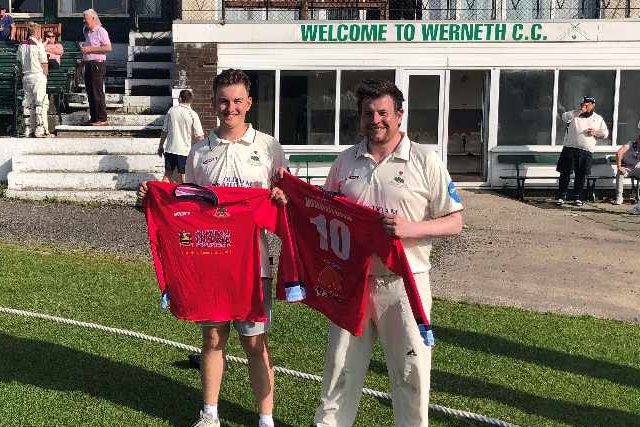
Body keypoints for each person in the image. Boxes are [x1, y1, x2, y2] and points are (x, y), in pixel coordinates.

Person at [137, 68, 286, 427]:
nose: (230, 108)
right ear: (214, 103)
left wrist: (282, 199)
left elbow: (286, 202)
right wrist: (151, 200)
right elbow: (189, 206)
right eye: (223, 100)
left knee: (254, 343)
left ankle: (265, 419)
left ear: (249, 103)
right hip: (210, 261)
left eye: (237, 101)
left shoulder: (269, 147)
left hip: (253, 265)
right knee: (213, 338)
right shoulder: (199, 151)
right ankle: (210, 414)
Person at [311, 79, 463, 427]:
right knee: (339, 369)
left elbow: (455, 221)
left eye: (383, 112)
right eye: (368, 113)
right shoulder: (345, 161)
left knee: (411, 373)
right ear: (359, 117)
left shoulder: (425, 160)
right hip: (354, 284)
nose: (375, 120)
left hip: (406, 285)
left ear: (399, 115)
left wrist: (411, 229)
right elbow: (324, 212)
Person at [555, 96, 609, 207]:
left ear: (593, 105)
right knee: (565, 173)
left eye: (587, 104)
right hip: (570, 148)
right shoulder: (574, 114)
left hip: (586, 150)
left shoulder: (598, 118)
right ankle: (561, 196)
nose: (585, 106)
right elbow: (564, 117)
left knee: (581, 175)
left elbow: (605, 134)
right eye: (583, 104)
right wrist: (578, 112)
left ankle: (577, 197)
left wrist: (595, 133)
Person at [158, 90, 205, 184]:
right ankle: (181, 197)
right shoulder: (193, 114)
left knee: (167, 176)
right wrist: (204, 153)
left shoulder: (171, 111)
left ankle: (161, 196)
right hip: (184, 152)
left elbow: (164, 131)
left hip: (170, 149)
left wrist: (160, 146)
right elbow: (200, 136)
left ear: (180, 98)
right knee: (183, 177)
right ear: (191, 100)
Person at [17, 22, 51, 138]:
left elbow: (20, 64)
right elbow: (44, 63)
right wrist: (45, 77)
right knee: (39, 102)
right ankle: (39, 129)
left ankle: (27, 129)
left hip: (26, 76)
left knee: (27, 103)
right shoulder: (38, 45)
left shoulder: (22, 45)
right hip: (37, 75)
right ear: (36, 32)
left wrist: (22, 76)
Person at [80, 8, 111, 126]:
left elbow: (108, 48)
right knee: (90, 91)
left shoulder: (101, 31)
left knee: (97, 91)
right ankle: (94, 117)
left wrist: (90, 49)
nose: (84, 21)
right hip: (88, 63)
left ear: (93, 18)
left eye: (85, 19)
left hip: (97, 63)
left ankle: (102, 118)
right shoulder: (87, 32)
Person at [612, 136, 640, 205]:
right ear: (638, 140)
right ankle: (619, 197)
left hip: (637, 167)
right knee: (620, 172)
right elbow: (619, 152)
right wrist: (619, 166)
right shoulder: (630, 144)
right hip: (627, 167)